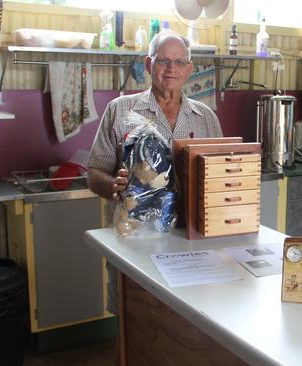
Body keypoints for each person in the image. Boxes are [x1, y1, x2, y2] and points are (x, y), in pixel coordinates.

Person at [86, 31, 223, 325]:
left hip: (191, 242)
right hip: (135, 240)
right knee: (132, 320)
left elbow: (219, 176)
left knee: (188, 322)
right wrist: (113, 186)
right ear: (148, 65)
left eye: (179, 62)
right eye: (162, 61)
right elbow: (94, 171)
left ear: (189, 68)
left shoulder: (207, 118)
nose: (171, 68)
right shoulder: (120, 109)